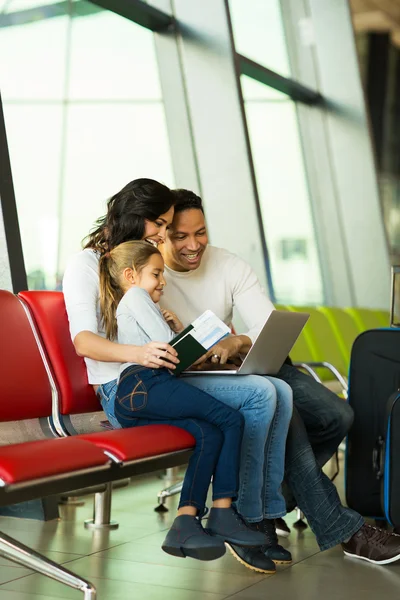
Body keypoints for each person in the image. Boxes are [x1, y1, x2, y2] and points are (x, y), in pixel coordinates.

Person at [156, 187, 400, 568]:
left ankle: (267, 504)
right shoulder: (153, 276)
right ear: (162, 233)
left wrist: (237, 341)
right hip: (203, 379)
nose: (193, 245)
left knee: (337, 415)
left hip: (248, 362)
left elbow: (265, 321)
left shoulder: (229, 265)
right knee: (287, 418)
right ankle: (341, 529)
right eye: (180, 236)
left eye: (200, 232)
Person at [63, 177, 294, 575]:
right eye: (160, 224)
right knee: (260, 395)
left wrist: (192, 347)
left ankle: (207, 518)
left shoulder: (140, 264)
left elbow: (159, 341)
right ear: (136, 219)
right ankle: (246, 515)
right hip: (129, 385)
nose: (164, 234)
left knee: (273, 392)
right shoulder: (94, 266)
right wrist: (145, 351)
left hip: (154, 378)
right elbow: (84, 341)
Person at [97, 239, 272, 561]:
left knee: (210, 431)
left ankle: (185, 522)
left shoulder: (135, 300)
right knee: (231, 419)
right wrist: (181, 335)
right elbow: (170, 352)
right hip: (143, 384)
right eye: (155, 274)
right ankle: (222, 512)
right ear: (131, 275)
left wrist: (176, 329)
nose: (162, 281)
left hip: (142, 391)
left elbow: (168, 352)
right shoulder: (135, 295)